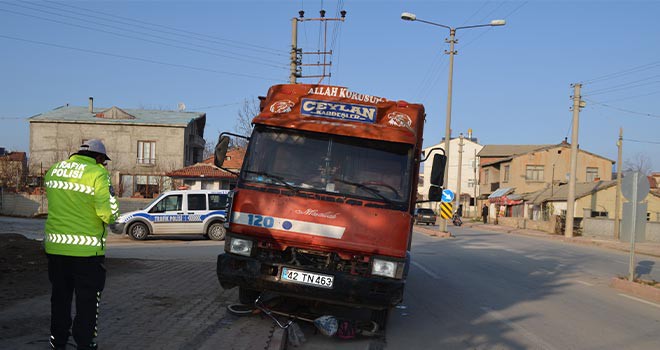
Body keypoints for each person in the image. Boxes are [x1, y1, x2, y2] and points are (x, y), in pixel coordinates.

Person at [44, 139, 119, 350]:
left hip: (56, 250)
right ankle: (85, 345)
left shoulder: (54, 170)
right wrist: (114, 218)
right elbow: (108, 213)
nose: (104, 166)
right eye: (103, 162)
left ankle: (57, 343)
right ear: (98, 158)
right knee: (87, 304)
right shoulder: (97, 174)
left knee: (60, 299)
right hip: (87, 254)